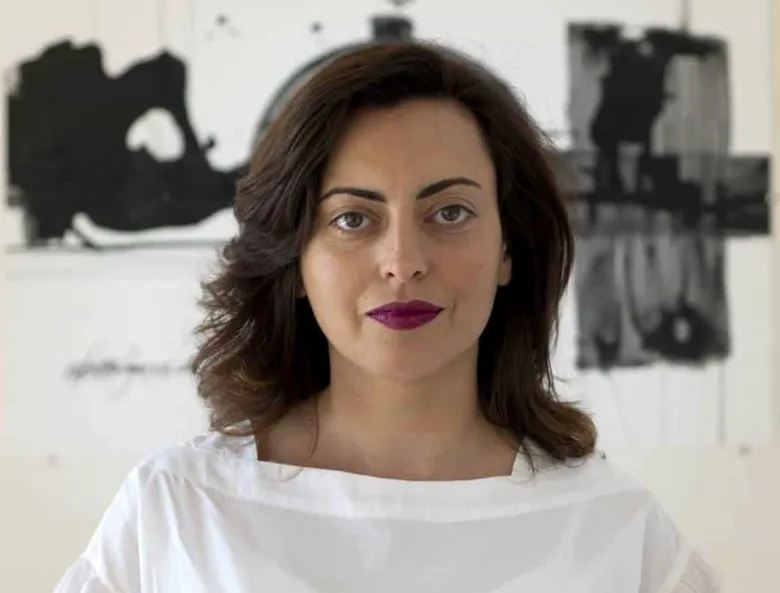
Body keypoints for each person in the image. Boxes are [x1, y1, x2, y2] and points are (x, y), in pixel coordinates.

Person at [54, 41, 719, 592]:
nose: (403, 262)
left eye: (450, 212)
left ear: (508, 249)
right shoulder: (177, 514)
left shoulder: (616, 533)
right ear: (296, 261)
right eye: (353, 219)